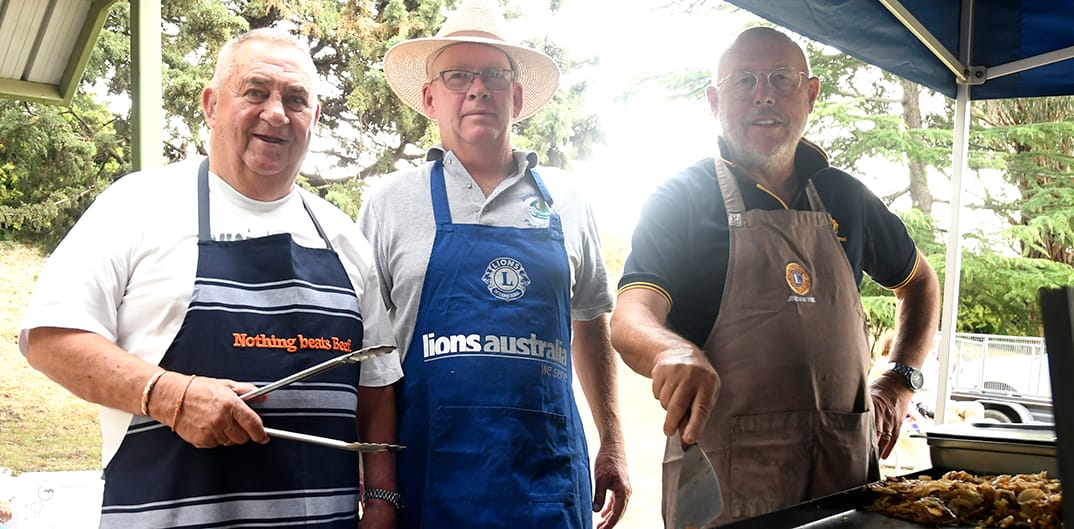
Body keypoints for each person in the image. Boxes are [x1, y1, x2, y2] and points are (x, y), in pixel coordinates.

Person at [19, 28, 403, 528]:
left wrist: (381, 502)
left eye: (295, 99)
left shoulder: (342, 236)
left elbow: (376, 385)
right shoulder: (138, 204)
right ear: (212, 104)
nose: (276, 113)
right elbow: (52, 339)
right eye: (255, 91)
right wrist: (169, 396)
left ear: (315, 117)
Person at [609, 27, 941, 526]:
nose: (763, 93)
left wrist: (900, 380)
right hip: (728, 486)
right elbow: (630, 314)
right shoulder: (680, 198)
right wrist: (670, 350)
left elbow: (920, 284)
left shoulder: (846, 197)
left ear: (810, 95)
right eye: (744, 81)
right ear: (715, 100)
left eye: (781, 79)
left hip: (844, 479)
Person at [356, 1, 631, 527]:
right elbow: (371, 355)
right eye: (458, 75)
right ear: (430, 97)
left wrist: (613, 442)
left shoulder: (568, 199)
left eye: (494, 75)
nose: (477, 88)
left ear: (518, 96)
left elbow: (592, 321)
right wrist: (378, 489)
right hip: (429, 484)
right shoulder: (390, 202)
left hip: (548, 487)